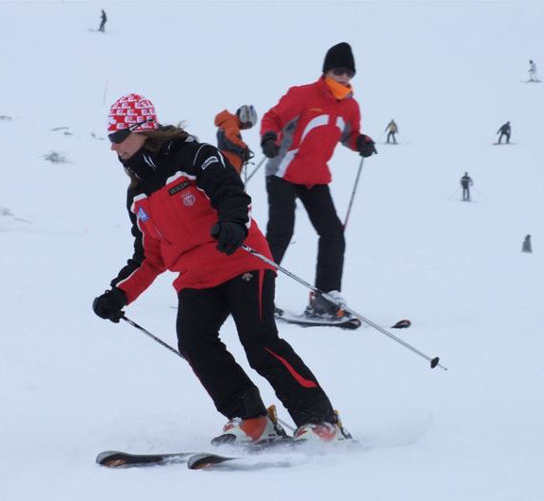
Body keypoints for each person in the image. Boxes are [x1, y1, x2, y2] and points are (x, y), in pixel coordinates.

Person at [92, 93, 348, 444]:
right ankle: (251, 418)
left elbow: (230, 191)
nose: (113, 146)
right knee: (195, 343)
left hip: (240, 258)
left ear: (142, 130)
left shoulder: (194, 156)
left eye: (117, 137)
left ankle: (319, 420)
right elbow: (150, 256)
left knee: (258, 341)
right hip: (196, 276)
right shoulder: (137, 193)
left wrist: (233, 223)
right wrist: (119, 293)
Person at [259, 42, 376, 319]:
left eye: (349, 72)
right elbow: (272, 117)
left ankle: (326, 298)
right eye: (338, 71)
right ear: (326, 71)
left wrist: (362, 142)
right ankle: (254, 293)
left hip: (315, 178)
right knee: (281, 232)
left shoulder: (350, 106)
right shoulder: (303, 95)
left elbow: (349, 134)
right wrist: (268, 138)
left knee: (333, 234)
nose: (344, 77)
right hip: (283, 173)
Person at [214, 105, 256, 175]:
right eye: (247, 124)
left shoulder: (230, 123)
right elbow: (230, 138)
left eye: (249, 126)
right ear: (244, 117)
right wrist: (244, 148)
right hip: (229, 166)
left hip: (229, 166)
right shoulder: (231, 122)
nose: (247, 128)